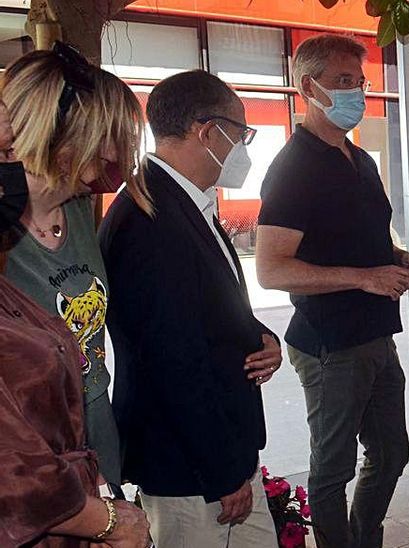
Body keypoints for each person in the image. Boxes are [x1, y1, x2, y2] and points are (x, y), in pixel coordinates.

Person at [256, 34, 409, 548]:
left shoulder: (360, 160)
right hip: (329, 344)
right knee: (332, 471)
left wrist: (398, 259)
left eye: (361, 82)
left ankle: (361, 537)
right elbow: (270, 270)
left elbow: (363, 241)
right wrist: (364, 277)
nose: (358, 93)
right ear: (309, 87)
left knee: (392, 452)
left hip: (375, 334)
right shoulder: (293, 168)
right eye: (345, 83)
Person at [100, 70, 282, 546]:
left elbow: (211, 299)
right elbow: (170, 360)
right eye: (241, 134)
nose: (244, 147)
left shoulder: (183, 202)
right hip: (191, 469)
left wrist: (262, 335)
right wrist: (221, 472)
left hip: (223, 454)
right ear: (207, 131)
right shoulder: (150, 218)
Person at [0, 42, 151, 493]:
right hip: (33, 475)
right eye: (114, 133)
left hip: (95, 445)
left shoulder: (82, 209)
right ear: (73, 135)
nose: (120, 150)